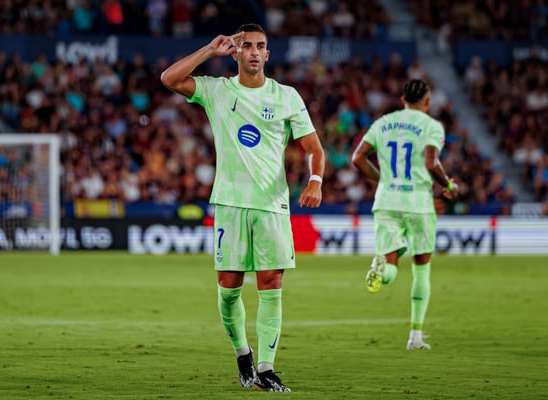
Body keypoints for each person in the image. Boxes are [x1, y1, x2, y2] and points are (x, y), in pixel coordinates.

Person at [160, 23, 325, 391]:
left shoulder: (286, 96)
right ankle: (243, 355)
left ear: (267, 54)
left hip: (271, 204)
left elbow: (314, 148)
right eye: (246, 45)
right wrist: (209, 50)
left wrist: (315, 180)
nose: (254, 51)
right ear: (235, 52)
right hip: (230, 203)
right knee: (229, 288)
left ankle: (266, 369)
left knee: (271, 283)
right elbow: (169, 79)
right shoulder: (217, 90)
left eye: (260, 46)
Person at [351, 78, 459, 350]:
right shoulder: (431, 126)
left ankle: (380, 268)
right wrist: (448, 185)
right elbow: (431, 163)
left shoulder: (382, 123)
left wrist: (382, 179)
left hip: (387, 201)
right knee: (421, 269)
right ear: (427, 101)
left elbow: (357, 158)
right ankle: (415, 337)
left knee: (390, 267)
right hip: (418, 204)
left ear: (403, 100)